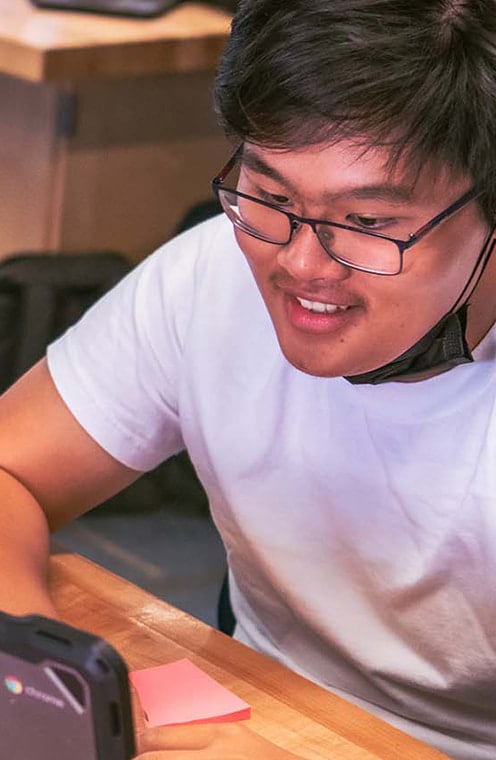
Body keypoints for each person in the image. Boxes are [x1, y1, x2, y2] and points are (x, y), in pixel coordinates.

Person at [1, 1, 495, 757]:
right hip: (264, 704)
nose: (300, 264)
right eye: (271, 195)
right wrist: (50, 685)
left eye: (365, 224)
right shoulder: (211, 274)